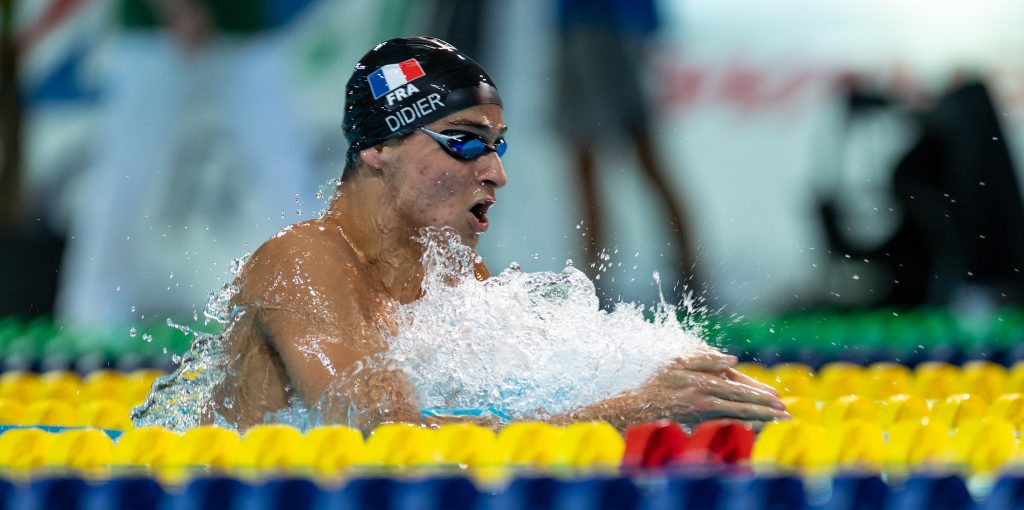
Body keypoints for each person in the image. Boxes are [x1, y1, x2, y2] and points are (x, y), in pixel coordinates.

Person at [206, 37, 787, 431]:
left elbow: (520, 403)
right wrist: (630, 409)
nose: (495, 172)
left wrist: (666, 381)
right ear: (378, 148)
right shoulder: (302, 263)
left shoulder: (449, 278)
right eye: (464, 141)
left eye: (497, 144)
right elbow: (388, 440)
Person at [55, 0, 316, 325]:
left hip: (246, 29)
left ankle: (311, 304)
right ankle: (88, 313)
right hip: (155, 35)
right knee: (123, 178)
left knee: (287, 174)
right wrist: (177, 7)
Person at [555, 0, 699, 304]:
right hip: (599, 24)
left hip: (602, 24)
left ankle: (594, 284)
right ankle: (595, 282)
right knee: (598, 162)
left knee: (606, 160)